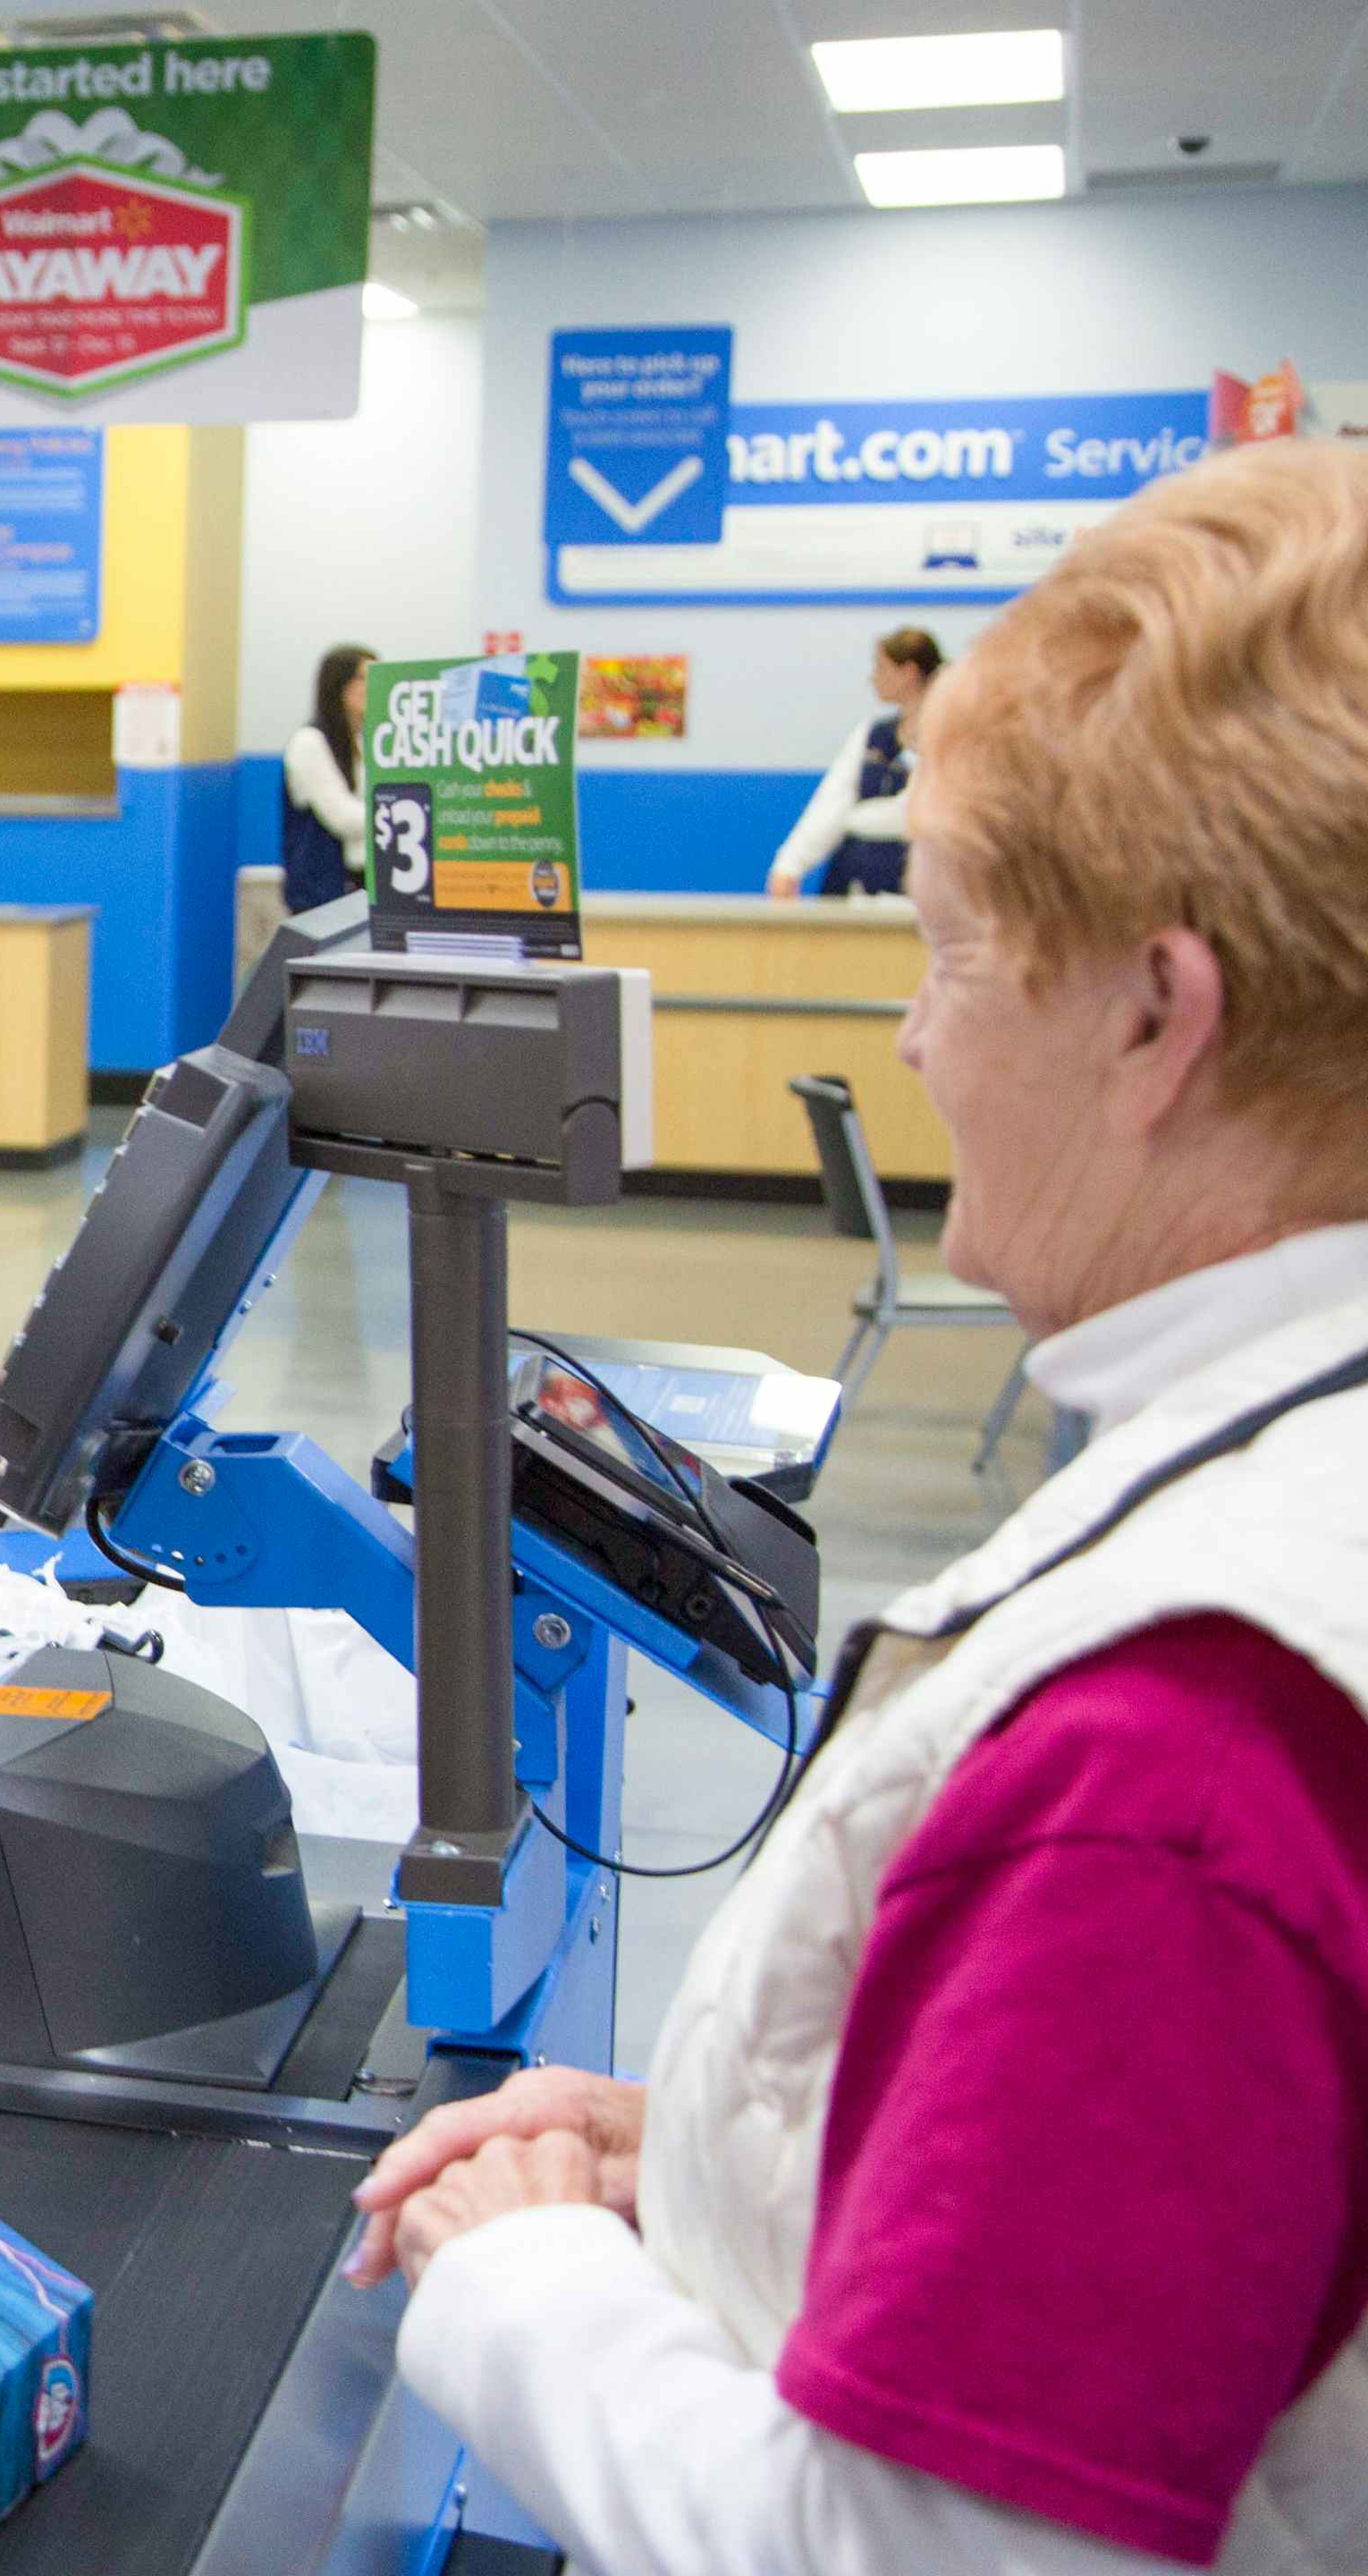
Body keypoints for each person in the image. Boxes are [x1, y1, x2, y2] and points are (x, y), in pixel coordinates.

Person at [347, 440, 1368, 2573]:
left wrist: (515, 2280)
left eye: (945, 959)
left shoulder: (1179, 1751)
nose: (908, 1043)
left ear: (1152, 1016)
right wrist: (749, 2166)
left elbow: (941, 2549)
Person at [767, 627, 943, 899]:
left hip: (922, 891)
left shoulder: (951, 736)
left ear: (908, 672)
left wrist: (859, 817)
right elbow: (831, 803)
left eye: (881, 668)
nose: (873, 678)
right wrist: (789, 865)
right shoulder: (873, 736)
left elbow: (920, 814)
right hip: (858, 885)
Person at [280, 642, 376, 912]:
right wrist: (399, 819)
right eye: (362, 678)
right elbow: (342, 817)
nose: (372, 687)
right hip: (322, 895)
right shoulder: (310, 742)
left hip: (360, 885)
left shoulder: (365, 740)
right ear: (338, 685)